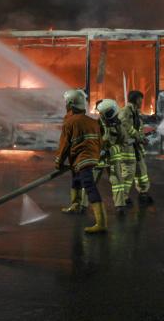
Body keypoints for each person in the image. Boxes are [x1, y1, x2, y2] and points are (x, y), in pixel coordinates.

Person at [55, 89, 107, 234]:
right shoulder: (92, 121)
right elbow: (100, 140)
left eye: (66, 103)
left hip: (82, 159)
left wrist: (58, 162)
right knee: (76, 180)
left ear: (70, 105)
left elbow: (64, 145)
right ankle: (76, 205)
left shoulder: (70, 122)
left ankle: (101, 223)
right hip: (89, 157)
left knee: (89, 187)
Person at [96, 99, 136, 215]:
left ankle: (120, 205)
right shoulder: (96, 125)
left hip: (113, 158)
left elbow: (123, 139)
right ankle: (81, 204)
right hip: (98, 159)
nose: (116, 116)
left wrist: (118, 129)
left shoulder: (117, 124)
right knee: (90, 182)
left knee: (117, 182)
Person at [119, 90, 153, 204]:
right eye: (140, 99)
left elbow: (138, 128)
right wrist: (138, 136)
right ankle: (123, 198)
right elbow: (125, 125)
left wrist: (142, 138)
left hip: (136, 147)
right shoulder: (125, 111)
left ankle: (143, 193)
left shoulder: (136, 112)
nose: (142, 102)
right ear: (136, 99)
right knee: (128, 173)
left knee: (142, 171)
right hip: (127, 148)